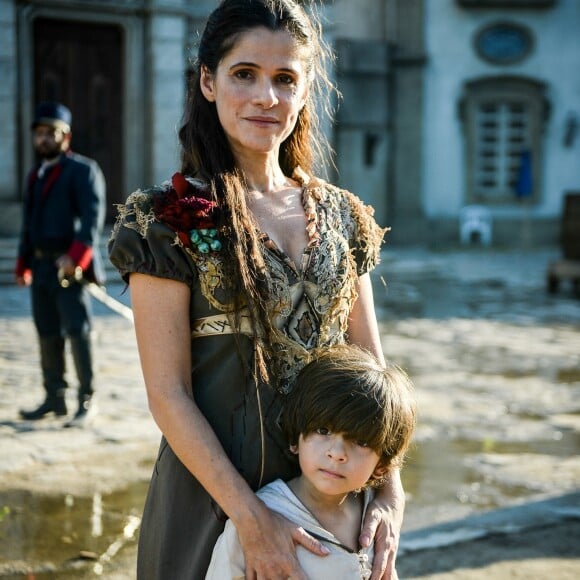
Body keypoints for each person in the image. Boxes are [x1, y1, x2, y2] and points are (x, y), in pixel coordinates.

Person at [108, 1, 405, 578]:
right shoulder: (165, 220)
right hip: (209, 499)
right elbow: (168, 394)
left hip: (331, 498)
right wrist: (249, 516)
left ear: (305, 90)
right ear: (208, 82)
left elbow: (371, 368)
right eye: (244, 73)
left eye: (285, 79)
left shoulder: (343, 216)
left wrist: (389, 493)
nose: (266, 97)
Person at [205, 344, 417, 580]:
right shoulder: (261, 520)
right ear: (296, 438)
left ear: (381, 466)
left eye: (360, 441)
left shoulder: (375, 520)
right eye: (323, 430)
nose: (337, 453)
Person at [16, 101, 106, 427]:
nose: (43, 139)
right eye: (39, 133)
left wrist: (77, 257)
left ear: (65, 136)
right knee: (47, 332)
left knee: (78, 331)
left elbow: (92, 219)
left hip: (69, 268)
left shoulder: (84, 170)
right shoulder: (35, 175)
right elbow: (29, 222)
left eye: (50, 133)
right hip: (40, 268)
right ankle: (54, 398)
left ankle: (87, 399)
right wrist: (23, 263)